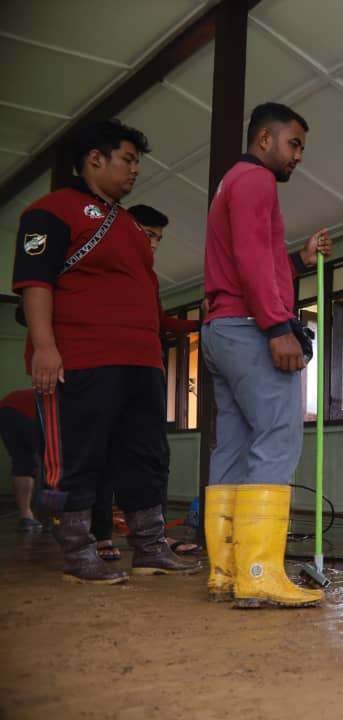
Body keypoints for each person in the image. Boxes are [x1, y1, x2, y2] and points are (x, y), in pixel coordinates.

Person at [11, 118, 198, 583]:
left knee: (146, 455)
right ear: (96, 158)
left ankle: (150, 547)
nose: (135, 170)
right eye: (128, 159)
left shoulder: (133, 227)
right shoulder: (49, 211)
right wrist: (46, 348)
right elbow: (36, 282)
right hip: (82, 358)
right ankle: (78, 554)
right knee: (77, 456)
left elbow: (147, 302)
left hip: (142, 362)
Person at [201, 102, 331, 608]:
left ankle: (226, 571)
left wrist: (300, 258)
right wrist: (279, 327)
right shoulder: (256, 181)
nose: (298, 155)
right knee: (277, 437)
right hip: (250, 328)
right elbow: (253, 259)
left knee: (231, 446)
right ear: (265, 140)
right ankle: (259, 574)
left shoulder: (232, 183)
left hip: (220, 329)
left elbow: (255, 257)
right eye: (294, 144)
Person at [87, 204, 202, 562]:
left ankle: (154, 539)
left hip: (145, 369)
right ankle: (100, 536)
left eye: (158, 238)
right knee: (102, 456)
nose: (154, 244)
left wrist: (197, 324)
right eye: (149, 235)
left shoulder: (147, 275)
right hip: (105, 368)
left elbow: (157, 320)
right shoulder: (103, 265)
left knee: (153, 456)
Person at [0, 390, 43, 532]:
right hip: (31, 411)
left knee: (22, 461)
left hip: (5, 408)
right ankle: (54, 518)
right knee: (55, 462)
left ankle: (26, 516)